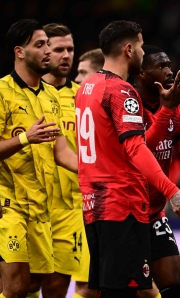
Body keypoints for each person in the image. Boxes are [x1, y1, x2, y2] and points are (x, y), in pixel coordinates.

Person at [75, 20, 180, 298]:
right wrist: (173, 191)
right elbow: (136, 148)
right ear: (129, 49)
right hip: (123, 205)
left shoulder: (86, 88)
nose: (144, 52)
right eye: (142, 46)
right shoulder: (121, 91)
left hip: (94, 206)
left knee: (111, 289)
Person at [0, 19, 78, 298]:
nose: (48, 50)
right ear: (19, 51)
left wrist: (98, 173)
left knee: (31, 286)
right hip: (8, 205)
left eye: (48, 43)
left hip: (40, 208)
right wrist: (25, 138)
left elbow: (63, 153)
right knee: (16, 285)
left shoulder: (51, 97)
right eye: (40, 44)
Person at [134, 44, 180, 298]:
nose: (169, 71)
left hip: (154, 212)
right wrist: (166, 109)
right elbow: (139, 150)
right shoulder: (130, 104)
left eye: (169, 65)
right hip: (126, 212)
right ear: (143, 74)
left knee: (175, 286)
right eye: (161, 66)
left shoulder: (174, 103)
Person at [40, 23, 83, 298]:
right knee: (21, 286)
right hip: (31, 206)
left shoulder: (83, 96)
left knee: (60, 289)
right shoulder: (25, 94)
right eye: (59, 50)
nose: (66, 55)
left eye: (70, 49)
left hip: (72, 210)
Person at [71, 47, 104, 298]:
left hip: (99, 206)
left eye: (83, 73)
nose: (77, 80)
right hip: (84, 206)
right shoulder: (77, 103)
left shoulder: (105, 105)